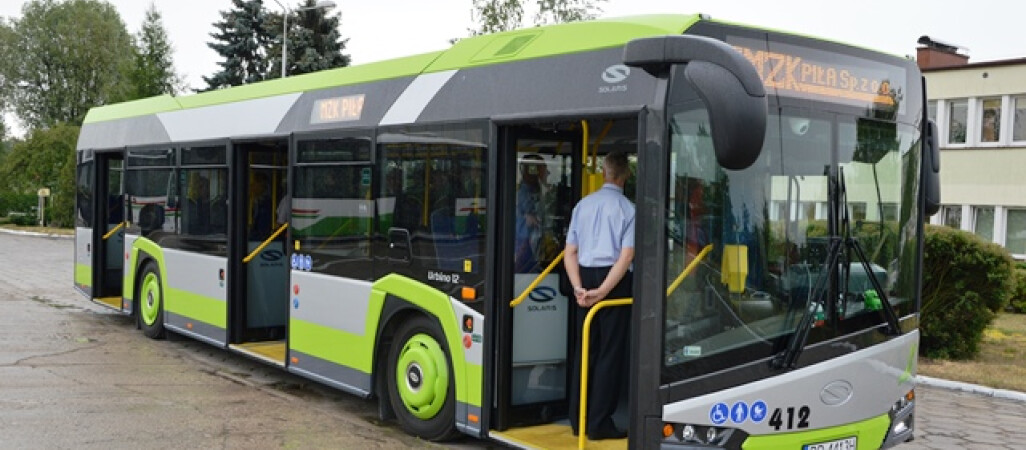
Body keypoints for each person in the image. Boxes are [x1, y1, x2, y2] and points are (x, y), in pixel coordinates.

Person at [564, 150, 634, 441]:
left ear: (604, 173)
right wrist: (604, 291)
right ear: (625, 176)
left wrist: (579, 287)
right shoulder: (629, 210)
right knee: (609, 353)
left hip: (583, 277)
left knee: (585, 350)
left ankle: (577, 419)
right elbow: (626, 256)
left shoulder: (582, 206)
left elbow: (570, 253)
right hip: (612, 283)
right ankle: (598, 422)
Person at [515, 154, 549, 273]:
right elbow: (529, 216)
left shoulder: (539, 188)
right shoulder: (524, 191)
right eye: (540, 169)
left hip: (533, 237)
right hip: (526, 238)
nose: (545, 173)